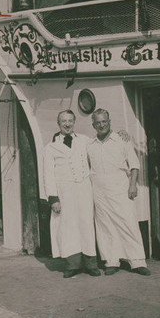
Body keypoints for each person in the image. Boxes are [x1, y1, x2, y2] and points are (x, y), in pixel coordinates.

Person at [87, 108, 151, 276]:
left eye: (104, 121)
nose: (101, 125)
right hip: (98, 190)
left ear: (110, 122)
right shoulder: (89, 144)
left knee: (128, 222)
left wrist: (132, 186)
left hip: (120, 187)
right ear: (93, 125)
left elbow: (134, 165)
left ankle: (137, 262)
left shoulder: (122, 140)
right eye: (98, 122)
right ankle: (111, 261)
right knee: (104, 225)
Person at [43, 110, 101, 278]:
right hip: (64, 192)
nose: (67, 124)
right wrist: (53, 198)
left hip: (84, 189)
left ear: (74, 122)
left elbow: (100, 144)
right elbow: (48, 174)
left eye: (70, 120)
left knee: (86, 225)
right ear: (58, 123)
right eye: (63, 121)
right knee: (68, 227)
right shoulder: (50, 148)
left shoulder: (84, 141)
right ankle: (72, 265)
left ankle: (91, 264)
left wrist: (121, 134)